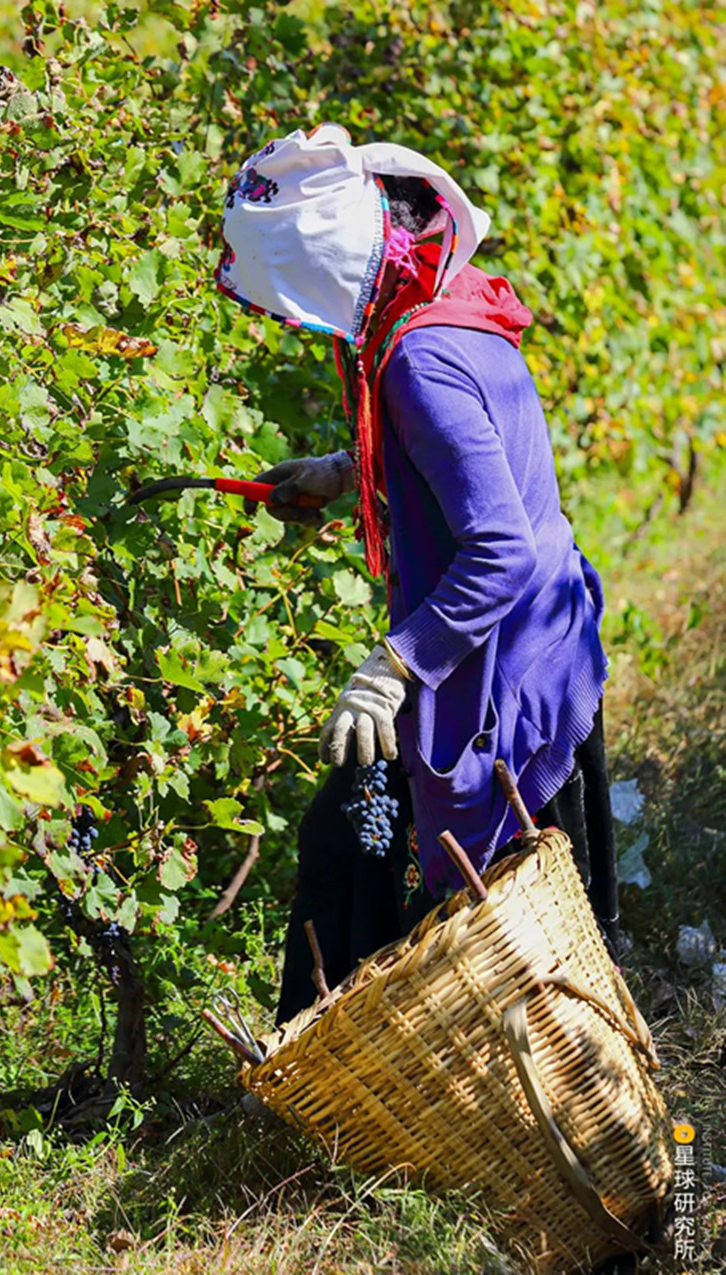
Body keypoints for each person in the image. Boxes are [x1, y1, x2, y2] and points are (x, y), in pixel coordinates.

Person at [215, 124, 618, 1025]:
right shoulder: (446, 303)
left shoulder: (417, 363)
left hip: (505, 683)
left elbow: (499, 548)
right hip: (536, 644)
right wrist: (345, 471)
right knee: (375, 861)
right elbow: (467, 461)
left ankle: (357, 1077)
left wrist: (391, 667)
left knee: (516, 958)